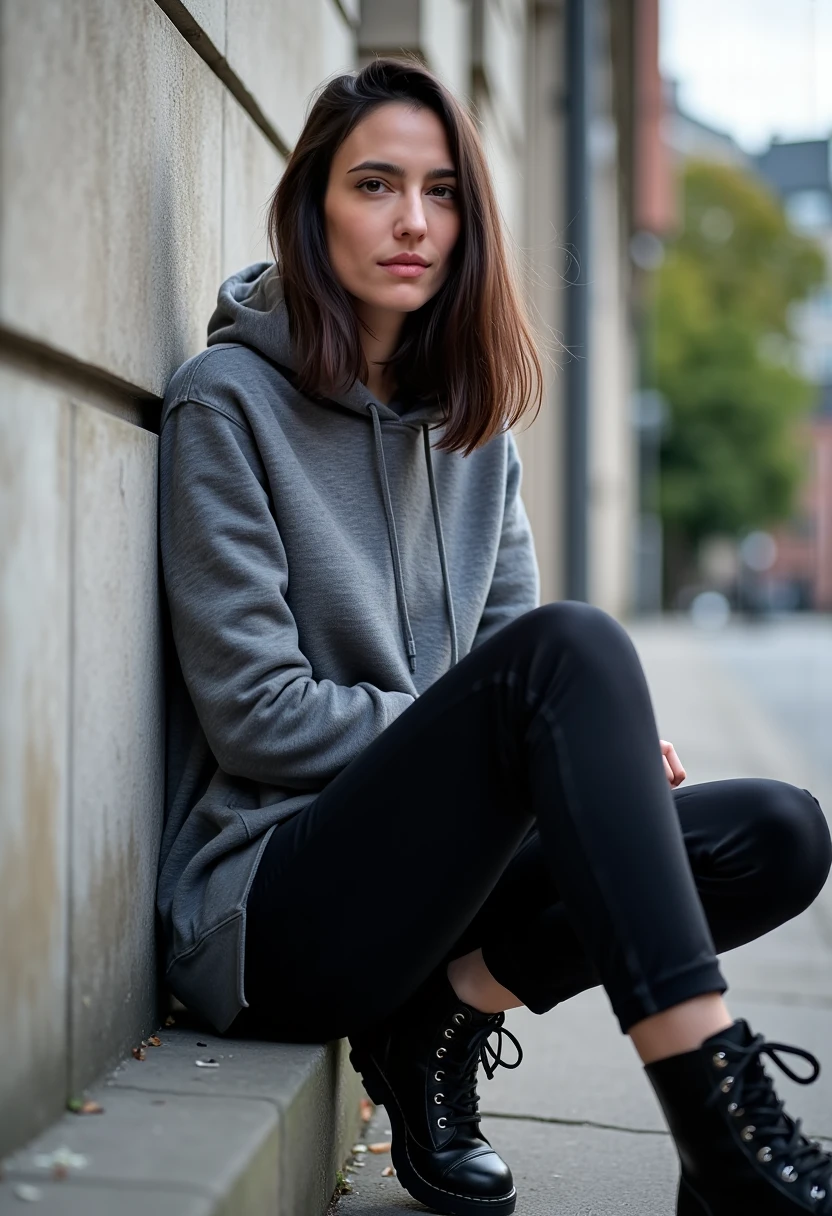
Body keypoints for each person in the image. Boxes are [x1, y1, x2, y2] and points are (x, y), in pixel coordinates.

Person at [156, 57, 832, 1216]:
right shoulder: (226, 402)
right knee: (569, 652)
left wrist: (579, 760)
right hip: (282, 913)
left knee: (776, 832)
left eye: (442, 190)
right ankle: (717, 1124)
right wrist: (512, 745)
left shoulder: (473, 435)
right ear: (313, 207)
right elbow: (256, 714)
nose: (413, 220)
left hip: (438, 899)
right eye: (375, 184)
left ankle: (445, 1018)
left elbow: (514, 667)